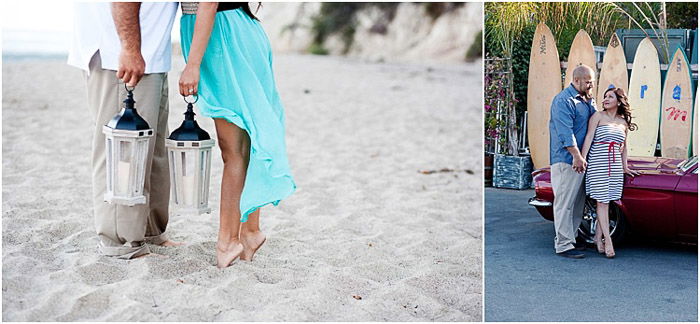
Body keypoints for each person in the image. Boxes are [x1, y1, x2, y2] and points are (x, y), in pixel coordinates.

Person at [178, 2, 296, 268]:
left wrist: (193, 64)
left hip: (223, 34)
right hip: (228, 30)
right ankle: (250, 231)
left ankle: (229, 241)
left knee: (234, 148)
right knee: (244, 141)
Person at [68, 2, 181, 259]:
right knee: (124, 154)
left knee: (152, 151)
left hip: (150, 50)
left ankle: (151, 232)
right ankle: (121, 241)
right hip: (121, 52)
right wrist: (130, 48)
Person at [580, 88, 639, 258]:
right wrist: (582, 159)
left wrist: (625, 167)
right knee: (602, 203)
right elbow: (589, 138)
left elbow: (624, 147)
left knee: (607, 202)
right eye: (605, 96)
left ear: (619, 102)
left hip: (614, 167)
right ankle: (608, 240)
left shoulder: (623, 122)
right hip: (598, 164)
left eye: (610, 97)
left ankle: (598, 239)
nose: (605, 99)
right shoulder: (598, 116)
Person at [548, 65, 597, 259]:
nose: (591, 84)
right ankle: (563, 244)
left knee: (577, 203)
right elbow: (565, 132)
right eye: (588, 81)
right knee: (564, 203)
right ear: (576, 80)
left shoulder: (586, 101)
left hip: (580, 161)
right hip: (566, 160)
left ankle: (573, 237)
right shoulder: (563, 101)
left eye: (592, 81)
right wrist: (577, 156)